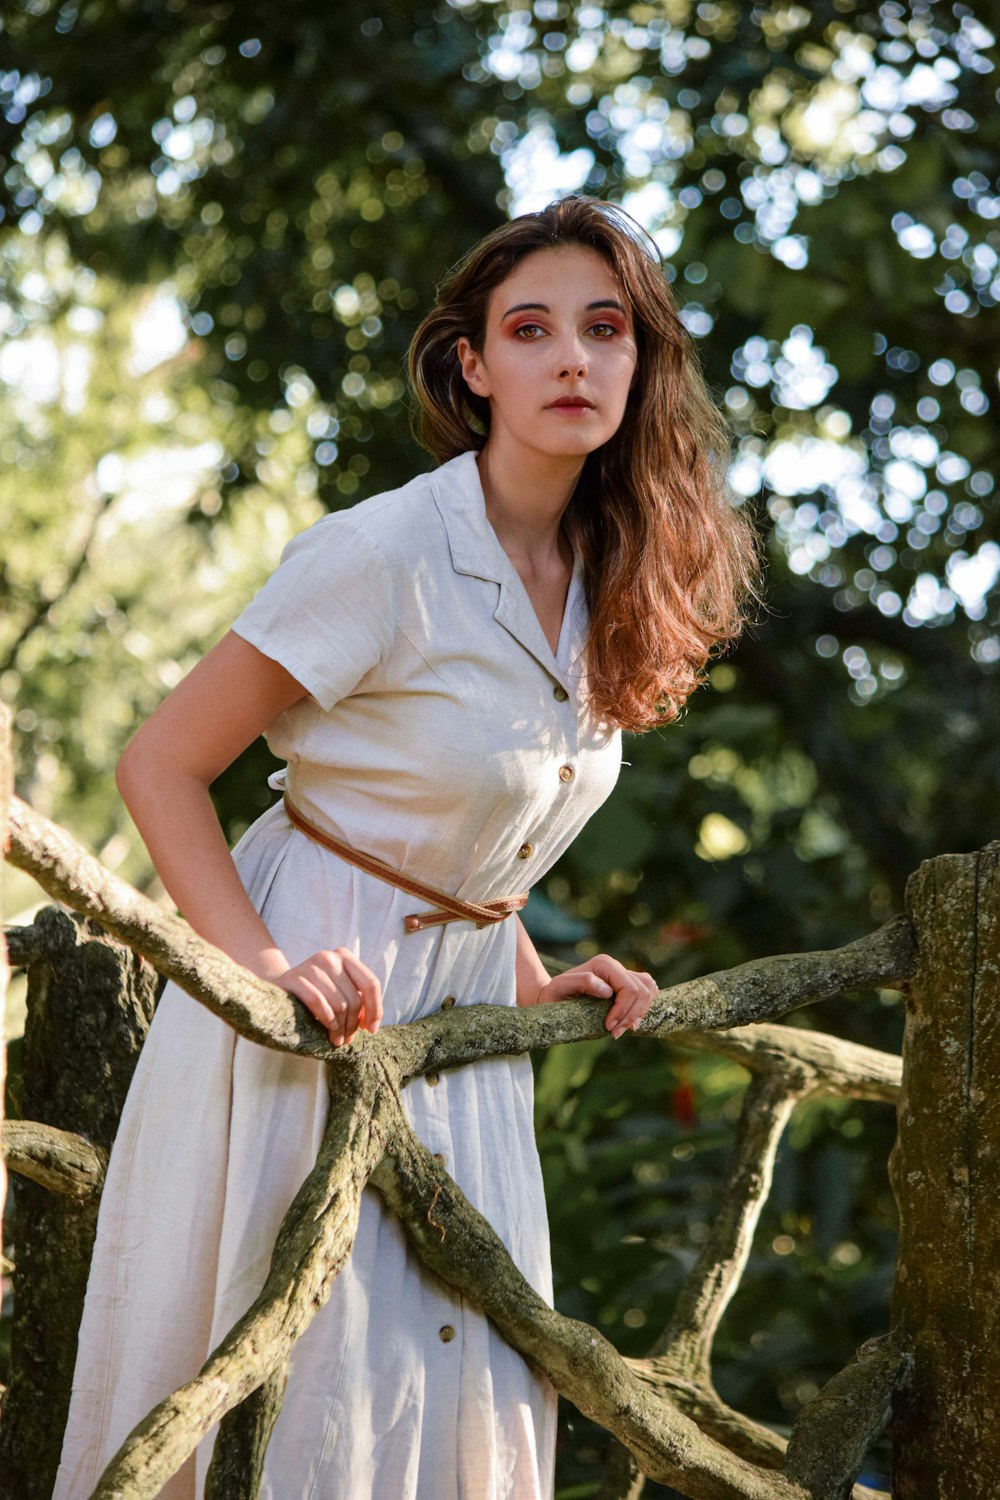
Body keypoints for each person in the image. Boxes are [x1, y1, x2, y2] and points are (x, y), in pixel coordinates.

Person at [53, 194, 764, 1499]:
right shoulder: (383, 553)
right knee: (305, 1372)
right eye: (531, 329)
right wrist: (264, 965)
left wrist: (530, 978)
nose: (571, 358)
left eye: (604, 329)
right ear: (473, 367)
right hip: (311, 995)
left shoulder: (620, 583)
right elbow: (160, 761)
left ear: (641, 362)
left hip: (462, 1032)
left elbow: (463, 843)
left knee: (453, 1377)